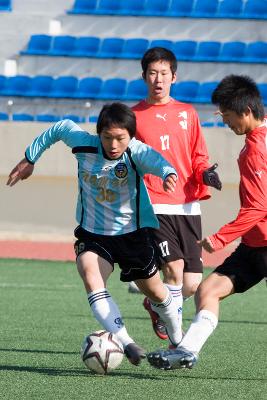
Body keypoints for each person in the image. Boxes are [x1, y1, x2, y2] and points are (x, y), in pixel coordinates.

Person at [7, 102, 184, 367]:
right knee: (90, 273)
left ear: (131, 136)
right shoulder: (83, 144)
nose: (113, 145)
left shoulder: (135, 152)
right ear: (98, 133)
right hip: (94, 234)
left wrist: (168, 173)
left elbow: (158, 162)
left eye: (120, 138)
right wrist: (30, 158)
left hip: (133, 236)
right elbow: (58, 128)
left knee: (157, 292)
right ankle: (127, 343)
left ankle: (177, 335)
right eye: (107, 137)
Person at [147, 74, 267, 369]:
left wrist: (219, 238)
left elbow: (258, 206)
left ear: (246, 112)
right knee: (208, 290)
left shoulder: (255, 150)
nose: (226, 123)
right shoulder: (256, 140)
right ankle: (186, 350)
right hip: (254, 245)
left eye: (227, 116)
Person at [130, 47, 222, 342]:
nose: (158, 79)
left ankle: (156, 304)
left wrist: (205, 172)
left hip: (189, 205)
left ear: (174, 77)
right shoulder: (133, 116)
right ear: (144, 76)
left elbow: (198, 154)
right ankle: (177, 340)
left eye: (164, 74)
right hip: (154, 203)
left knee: (192, 283)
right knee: (174, 269)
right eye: (153, 73)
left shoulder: (188, 113)